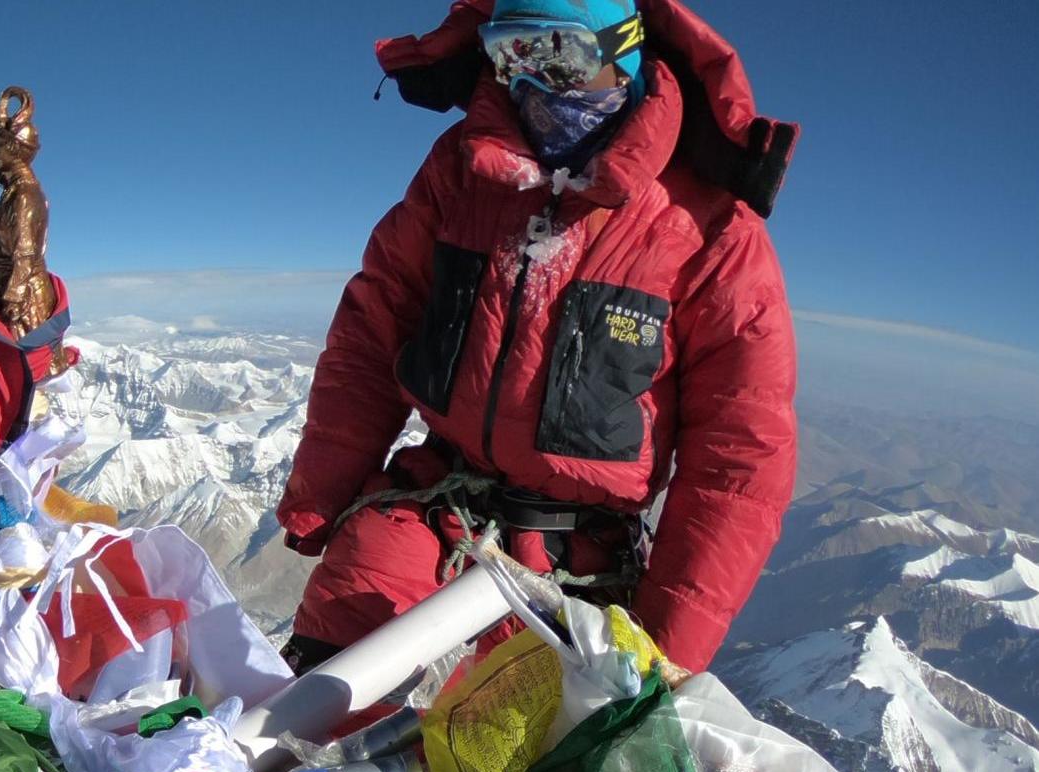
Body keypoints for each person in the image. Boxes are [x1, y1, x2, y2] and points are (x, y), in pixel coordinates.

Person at [276, 0, 798, 677]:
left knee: (531, 745)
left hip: (580, 554)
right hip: (436, 507)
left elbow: (738, 454)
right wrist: (319, 495)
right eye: (511, 55)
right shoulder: (463, 174)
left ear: (625, 53)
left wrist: (671, 645)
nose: (533, 85)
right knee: (324, 682)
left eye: (561, 57)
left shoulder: (706, 226)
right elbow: (372, 332)